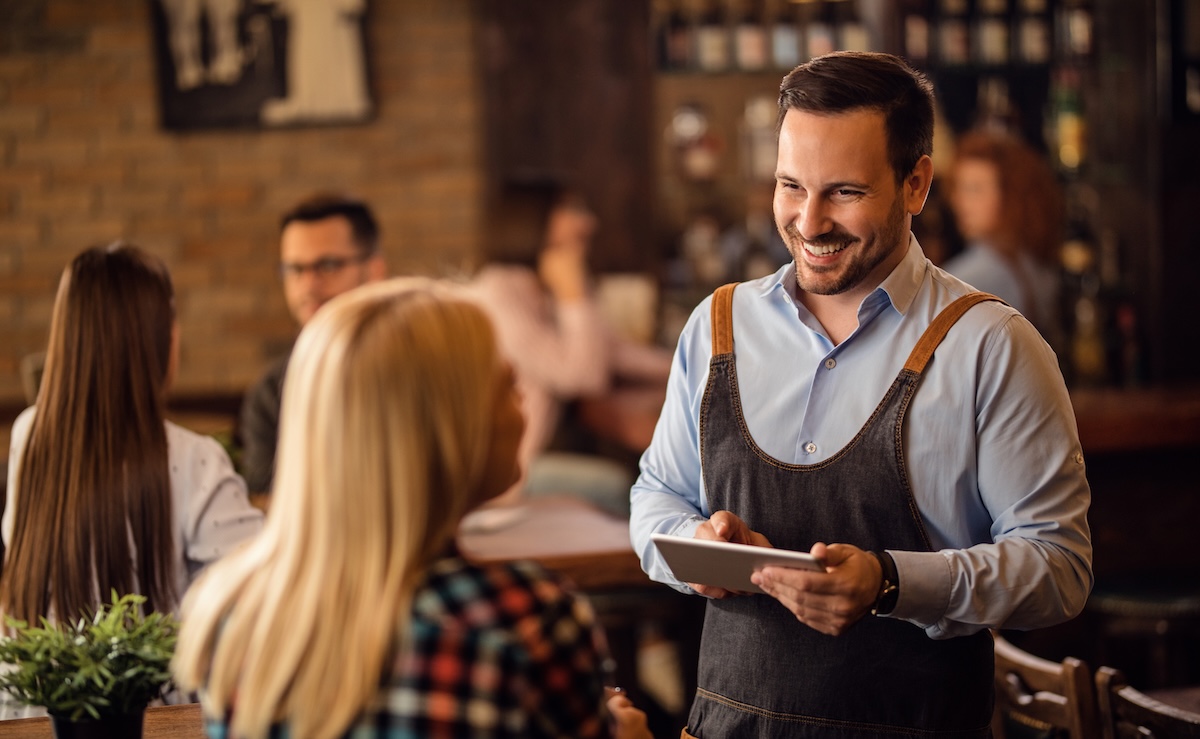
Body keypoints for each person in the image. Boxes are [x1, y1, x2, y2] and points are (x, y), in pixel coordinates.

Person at [629, 51, 1092, 738]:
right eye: (792, 186)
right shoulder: (718, 326)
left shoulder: (992, 347)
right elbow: (654, 497)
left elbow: (1059, 567)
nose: (809, 222)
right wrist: (696, 543)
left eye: (844, 191)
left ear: (917, 183)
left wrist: (890, 582)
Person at [174, 278, 653, 739]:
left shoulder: (229, 613)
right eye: (506, 386)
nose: (522, 406)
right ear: (446, 430)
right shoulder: (525, 619)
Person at [1, 243, 264, 719]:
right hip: (155, 723)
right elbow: (254, 602)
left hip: (30, 714)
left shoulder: (27, 435)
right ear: (159, 338)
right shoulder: (195, 459)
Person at [469, 180, 671, 517]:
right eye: (573, 210)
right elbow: (583, 376)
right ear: (533, 219)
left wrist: (712, 361)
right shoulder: (497, 295)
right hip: (504, 475)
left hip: (536, 455)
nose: (588, 222)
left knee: (649, 477)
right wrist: (573, 292)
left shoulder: (544, 287)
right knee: (620, 487)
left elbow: (616, 352)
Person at [238, 192, 385, 495]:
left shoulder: (415, 367)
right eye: (294, 269)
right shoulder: (271, 392)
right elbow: (269, 501)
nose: (308, 284)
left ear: (374, 272)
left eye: (328, 265)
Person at [942, 127, 1065, 346]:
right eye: (959, 189)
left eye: (975, 189)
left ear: (1011, 194)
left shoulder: (963, 279)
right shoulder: (1038, 265)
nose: (961, 202)